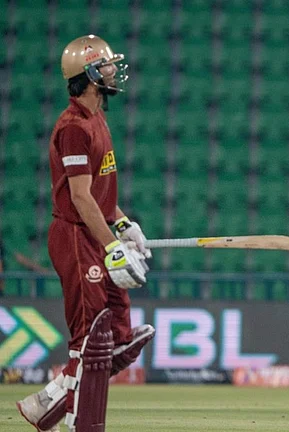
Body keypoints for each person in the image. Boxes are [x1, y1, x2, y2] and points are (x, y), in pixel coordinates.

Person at [16, 35, 155, 432]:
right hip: (76, 237)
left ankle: (46, 403)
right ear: (90, 74)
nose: (114, 71)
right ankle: (81, 423)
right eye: (107, 65)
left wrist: (124, 224)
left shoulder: (97, 118)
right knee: (91, 339)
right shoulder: (73, 127)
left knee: (120, 337)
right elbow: (79, 198)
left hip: (96, 231)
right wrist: (112, 245)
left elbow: (99, 193)